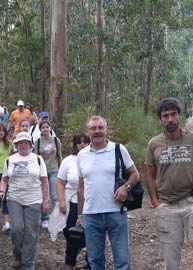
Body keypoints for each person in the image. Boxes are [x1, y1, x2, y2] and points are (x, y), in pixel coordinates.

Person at [145, 98, 193, 270]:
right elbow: (150, 175)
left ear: (179, 116)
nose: (170, 119)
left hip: (192, 203)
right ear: (160, 120)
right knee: (171, 263)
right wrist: (156, 203)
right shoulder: (154, 144)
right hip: (167, 207)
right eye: (165, 116)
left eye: (173, 114)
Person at [76, 115, 140, 270]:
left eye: (100, 128)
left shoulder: (118, 149)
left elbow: (135, 174)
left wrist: (126, 187)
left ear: (106, 130)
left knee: (122, 260)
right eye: (93, 128)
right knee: (95, 261)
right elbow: (81, 186)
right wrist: (80, 215)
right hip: (91, 215)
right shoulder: (82, 155)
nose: (97, 131)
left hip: (116, 212)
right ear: (88, 131)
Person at [0, 132, 49, 270]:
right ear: (17, 145)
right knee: (16, 229)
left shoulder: (38, 159)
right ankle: (18, 255)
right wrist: (1, 190)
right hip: (14, 198)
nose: (23, 145)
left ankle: (28, 262)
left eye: (26, 142)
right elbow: (4, 179)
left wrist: (45, 200)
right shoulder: (10, 159)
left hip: (34, 198)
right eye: (21, 142)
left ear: (30, 144)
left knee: (31, 232)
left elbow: (44, 181)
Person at [56, 131, 91, 270]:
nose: (82, 145)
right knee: (71, 234)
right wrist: (61, 201)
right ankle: (70, 262)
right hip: (72, 202)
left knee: (92, 235)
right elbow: (60, 182)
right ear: (75, 144)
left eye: (85, 142)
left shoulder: (94, 158)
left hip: (92, 204)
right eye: (79, 142)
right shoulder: (68, 161)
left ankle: (91, 263)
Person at [34, 120, 62, 229]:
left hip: (54, 170)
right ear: (40, 130)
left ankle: (57, 220)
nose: (45, 129)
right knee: (43, 196)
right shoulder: (38, 142)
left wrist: (61, 168)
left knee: (55, 196)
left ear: (50, 128)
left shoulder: (56, 140)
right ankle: (44, 218)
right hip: (42, 172)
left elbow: (59, 155)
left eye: (47, 127)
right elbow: (36, 157)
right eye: (43, 127)